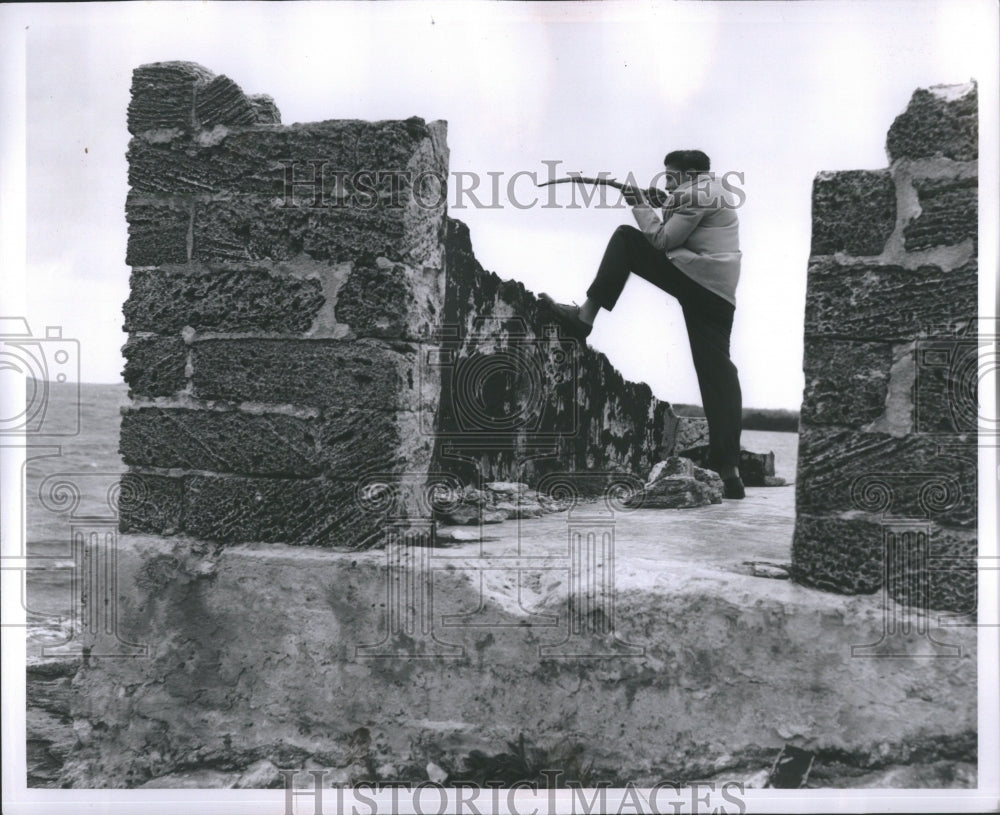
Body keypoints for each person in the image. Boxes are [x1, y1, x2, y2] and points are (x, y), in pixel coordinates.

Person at [540, 149, 746, 499]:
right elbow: (684, 223)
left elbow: (663, 240)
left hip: (697, 281)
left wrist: (638, 204)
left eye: (670, 176)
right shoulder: (711, 190)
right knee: (718, 375)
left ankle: (584, 318)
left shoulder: (697, 193)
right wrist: (663, 203)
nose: (665, 180)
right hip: (719, 293)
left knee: (626, 239)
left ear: (690, 173)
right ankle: (730, 470)